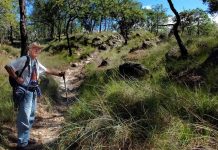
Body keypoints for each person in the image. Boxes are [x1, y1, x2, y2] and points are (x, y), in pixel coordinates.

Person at [4, 42, 65, 149]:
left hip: (33, 92)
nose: (37, 50)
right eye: (35, 48)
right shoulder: (24, 59)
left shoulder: (36, 62)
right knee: (24, 117)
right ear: (29, 49)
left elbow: (47, 71)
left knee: (31, 117)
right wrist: (16, 78)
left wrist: (59, 73)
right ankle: (22, 144)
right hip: (24, 91)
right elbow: (8, 67)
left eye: (39, 49)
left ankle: (25, 138)